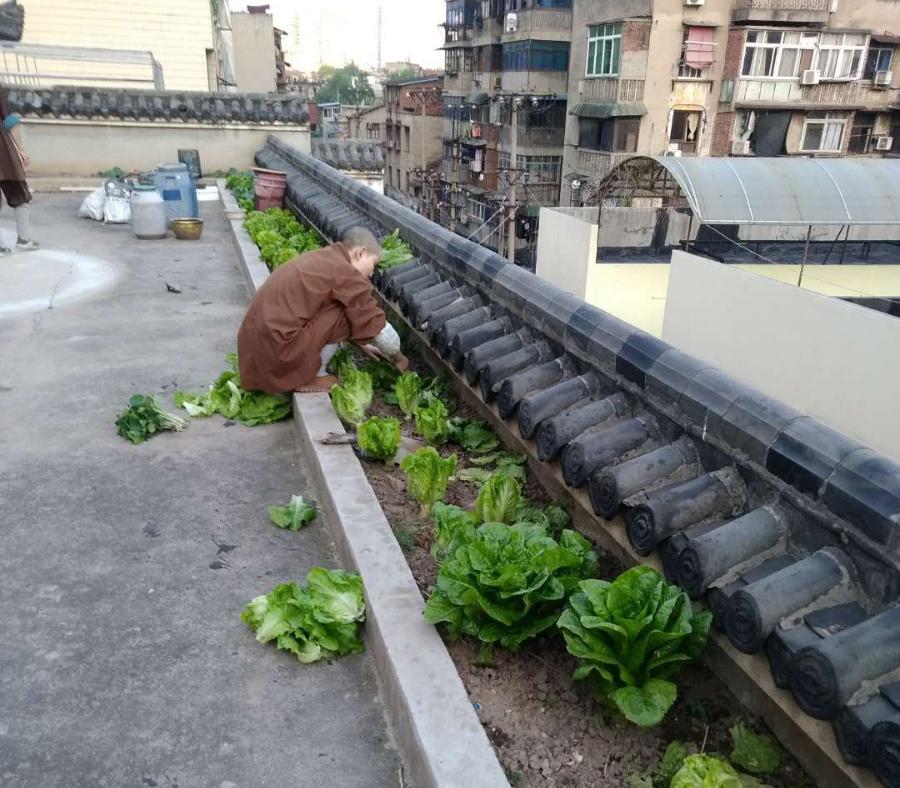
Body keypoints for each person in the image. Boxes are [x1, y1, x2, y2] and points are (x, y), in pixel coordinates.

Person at [237, 225, 408, 394]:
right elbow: (374, 323)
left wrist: (363, 344)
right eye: (374, 264)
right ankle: (310, 377)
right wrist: (398, 358)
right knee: (344, 311)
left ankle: (303, 370)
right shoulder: (345, 272)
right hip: (278, 354)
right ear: (360, 253)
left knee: (345, 308)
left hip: (260, 351)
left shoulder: (327, 258)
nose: (372, 273)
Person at [0, 86, 37, 253]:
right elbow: (10, 121)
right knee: (19, 193)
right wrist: (20, 150)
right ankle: (23, 239)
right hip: (3, 152)